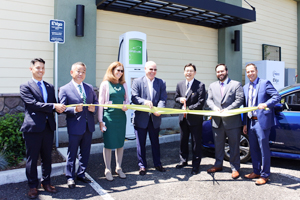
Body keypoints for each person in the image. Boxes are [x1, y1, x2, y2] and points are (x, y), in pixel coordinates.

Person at [20, 58, 66, 199]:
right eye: (38, 68)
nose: (41, 70)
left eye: (43, 68)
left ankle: (46, 182)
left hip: (48, 127)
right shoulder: (25, 86)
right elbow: (33, 104)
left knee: (47, 157)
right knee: (32, 159)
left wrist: (62, 109)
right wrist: (53, 107)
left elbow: (56, 104)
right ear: (31, 69)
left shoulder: (49, 86)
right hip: (33, 128)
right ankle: (33, 186)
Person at [59, 62, 98, 189]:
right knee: (72, 152)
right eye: (78, 71)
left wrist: (94, 108)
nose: (81, 74)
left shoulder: (89, 87)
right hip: (75, 126)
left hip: (88, 125)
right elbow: (62, 108)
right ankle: (70, 177)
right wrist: (74, 110)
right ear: (72, 72)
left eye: (83, 72)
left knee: (85, 151)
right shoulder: (65, 89)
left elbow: (96, 103)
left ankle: (81, 173)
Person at [243, 63, 280, 185]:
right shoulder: (245, 87)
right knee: (253, 149)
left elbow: (276, 96)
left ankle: (265, 175)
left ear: (257, 71)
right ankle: (256, 171)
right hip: (250, 122)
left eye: (252, 71)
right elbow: (245, 107)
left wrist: (266, 104)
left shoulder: (264, 83)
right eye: (248, 72)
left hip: (261, 122)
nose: (250, 73)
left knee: (264, 150)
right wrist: (245, 124)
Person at [206, 64, 244, 179]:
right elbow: (209, 100)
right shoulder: (212, 85)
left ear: (226, 71)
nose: (220, 73)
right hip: (217, 121)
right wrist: (214, 108)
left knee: (234, 146)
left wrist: (227, 110)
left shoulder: (236, 84)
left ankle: (235, 168)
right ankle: (218, 165)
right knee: (218, 145)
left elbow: (239, 99)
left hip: (232, 122)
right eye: (218, 72)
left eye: (222, 71)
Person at [131, 61, 167, 175]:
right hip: (141, 119)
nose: (153, 72)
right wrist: (144, 102)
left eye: (155, 69)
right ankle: (142, 166)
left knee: (155, 142)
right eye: (151, 69)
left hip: (154, 119)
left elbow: (163, 98)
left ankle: (157, 164)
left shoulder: (161, 82)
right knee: (140, 144)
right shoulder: (137, 82)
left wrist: (159, 109)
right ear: (145, 69)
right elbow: (134, 98)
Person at [98, 61, 129, 181]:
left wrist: (126, 105)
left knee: (120, 143)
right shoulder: (105, 84)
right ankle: (107, 169)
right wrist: (100, 121)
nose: (120, 73)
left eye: (122, 71)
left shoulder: (124, 84)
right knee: (109, 143)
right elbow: (100, 104)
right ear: (112, 70)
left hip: (120, 117)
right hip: (109, 117)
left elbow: (127, 100)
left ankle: (119, 167)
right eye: (118, 70)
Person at [174, 63, 206, 175]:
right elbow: (175, 97)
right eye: (187, 71)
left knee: (195, 142)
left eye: (191, 71)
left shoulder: (200, 85)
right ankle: (183, 160)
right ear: (184, 72)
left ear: (195, 73)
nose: (189, 73)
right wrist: (180, 99)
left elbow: (201, 102)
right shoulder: (180, 84)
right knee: (183, 140)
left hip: (195, 119)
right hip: (183, 118)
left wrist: (188, 108)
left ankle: (196, 165)